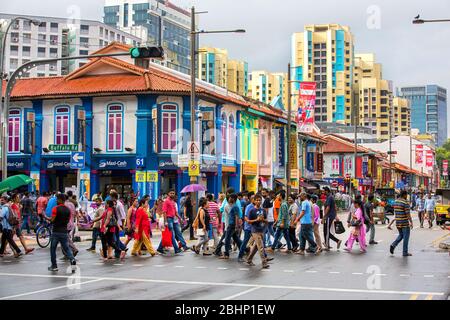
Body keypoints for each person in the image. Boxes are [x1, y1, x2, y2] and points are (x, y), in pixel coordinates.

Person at [47, 194, 76, 272]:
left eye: (57, 199)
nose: (56, 200)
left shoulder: (55, 209)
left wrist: (45, 217)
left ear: (60, 200)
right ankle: (72, 259)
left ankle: (54, 266)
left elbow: (52, 220)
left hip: (56, 232)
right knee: (67, 248)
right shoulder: (68, 210)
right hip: (64, 231)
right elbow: (68, 220)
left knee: (53, 249)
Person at [246, 194, 269, 269]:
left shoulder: (263, 210)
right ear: (254, 201)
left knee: (256, 246)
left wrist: (263, 220)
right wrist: (256, 220)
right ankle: (264, 262)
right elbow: (248, 221)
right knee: (261, 247)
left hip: (261, 230)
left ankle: (249, 259)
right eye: (257, 200)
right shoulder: (252, 210)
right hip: (255, 231)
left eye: (259, 200)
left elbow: (267, 221)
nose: (258, 201)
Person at [157, 189, 182, 255]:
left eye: (173, 193)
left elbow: (175, 212)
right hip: (168, 219)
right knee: (171, 235)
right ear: (168, 194)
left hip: (172, 219)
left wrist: (180, 218)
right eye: (171, 193)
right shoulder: (166, 201)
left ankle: (160, 248)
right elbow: (164, 212)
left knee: (168, 235)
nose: (172, 194)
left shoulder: (173, 202)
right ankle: (176, 249)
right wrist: (166, 221)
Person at [390, 190, 413, 257]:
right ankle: (405, 252)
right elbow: (408, 214)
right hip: (404, 223)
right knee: (406, 238)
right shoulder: (405, 202)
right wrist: (411, 222)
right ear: (404, 195)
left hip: (398, 222)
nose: (407, 196)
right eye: (406, 195)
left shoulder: (396, 201)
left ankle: (393, 245)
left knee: (401, 235)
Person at [220, 194, 242, 259]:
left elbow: (236, 217)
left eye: (230, 198)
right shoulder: (234, 206)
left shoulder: (235, 206)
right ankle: (245, 249)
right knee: (236, 239)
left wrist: (236, 226)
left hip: (232, 225)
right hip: (232, 224)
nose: (228, 199)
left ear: (233, 199)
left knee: (227, 239)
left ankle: (226, 254)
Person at [238, 194, 255, 262]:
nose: (256, 200)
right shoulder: (249, 207)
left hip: (255, 228)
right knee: (245, 241)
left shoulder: (256, 207)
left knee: (259, 243)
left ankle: (264, 257)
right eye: (253, 198)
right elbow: (246, 217)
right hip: (248, 227)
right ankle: (240, 256)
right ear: (251, 199)